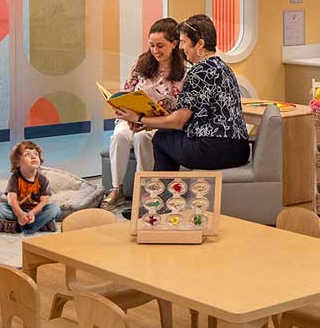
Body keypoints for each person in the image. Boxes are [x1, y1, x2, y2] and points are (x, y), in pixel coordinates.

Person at [134, 13, 251, 172]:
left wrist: (140, 119)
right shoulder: (224, 68)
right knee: (169, 137)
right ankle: (171, 192)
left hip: (214, 149)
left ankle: (163, 194)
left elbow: (178, 121)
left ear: (200, 44)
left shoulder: (199, 72)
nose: (181, 48)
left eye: (183, 42)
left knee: (161, 138)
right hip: (240, 149)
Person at [101, 17, 186, 209]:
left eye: (160, 46)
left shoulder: (183, 73)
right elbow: (127, 91)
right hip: (132, 117)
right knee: (120, 135)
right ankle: (116, 189)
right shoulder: (143, 63)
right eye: (151, 45)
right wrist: (124, 111)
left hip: (158, 123)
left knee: (142, 139)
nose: (155, 50)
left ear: (174, 44)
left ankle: (146, 190)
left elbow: (178, 111)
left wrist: (145, 121)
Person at [0, 140, 60, 234]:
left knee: (55, 209)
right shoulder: (15, 178)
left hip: (37, 211)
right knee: (1, 208)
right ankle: (42, 225)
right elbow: (12, 200)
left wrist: (32, 213)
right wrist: (20, 214)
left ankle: (20, 227)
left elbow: (44, 202)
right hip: (19, 210)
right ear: (17, 162)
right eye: (27, 154)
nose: (33, 156)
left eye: (36, 154)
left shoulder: (42, 179)